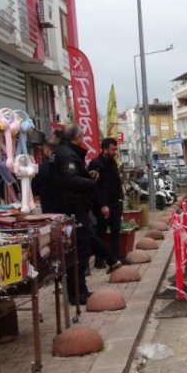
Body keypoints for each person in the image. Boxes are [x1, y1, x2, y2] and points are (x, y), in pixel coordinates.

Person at [52, 125, 121, 305]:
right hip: (72, 208)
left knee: (81, 245)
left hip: (69, 208)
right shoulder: (68, 155)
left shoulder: (61, 153)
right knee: (79, 250)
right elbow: (70, 180)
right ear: (78, 137)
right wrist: (90, 182)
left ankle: (80, 289)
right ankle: (78, 292)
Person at [88, 138, 125, 267]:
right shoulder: (95, 163)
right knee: (101, 232)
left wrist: (120, 198)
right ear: (104, 150)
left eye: (116, 149)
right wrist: (102, 204)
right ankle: (99, 260)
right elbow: (94, 187)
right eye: (112, 149)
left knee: (115, 231)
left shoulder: (113, 163)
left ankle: (116, 257)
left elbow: (117, 182)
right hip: (102, 205)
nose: (115, 152)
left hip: (115, 203)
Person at [32, 137, 60, 213]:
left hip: (48, 208)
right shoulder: (64, 163)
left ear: (48, 150)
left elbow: (35, 189)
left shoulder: (42, 168)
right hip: (66, 207)